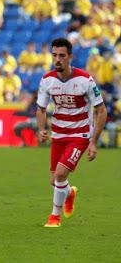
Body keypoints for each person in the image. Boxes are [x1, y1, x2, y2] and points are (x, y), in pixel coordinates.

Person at [36, 38, 107, 228]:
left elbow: (101, 110)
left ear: (70, 57)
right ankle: (69, 193)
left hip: (80, 135)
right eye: (54, 55)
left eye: (61, 55)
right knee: (55, 181)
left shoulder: (85, 80)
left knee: (60, 174)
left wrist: (94, 141)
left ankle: (54, 217)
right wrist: (42, 129)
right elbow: (41, 109)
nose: (57, 59)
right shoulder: (47, 80)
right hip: (58, 134)